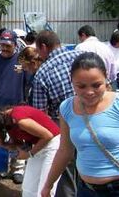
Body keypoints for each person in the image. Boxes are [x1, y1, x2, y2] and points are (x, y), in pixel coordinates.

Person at [41, 52, 119, 197]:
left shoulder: (117, 104)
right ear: (71, 82)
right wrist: (48, 184)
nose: (89, 92)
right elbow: (65, 151)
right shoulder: (66, 108)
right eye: (81, 86)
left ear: (106, 78)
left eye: (96, 85)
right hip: (85, 190)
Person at [33, 30, 83, 197]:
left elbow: (41, 116)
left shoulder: (42, 73)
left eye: (38, 51)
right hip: (93, 124)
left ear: (44, 47)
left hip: (65, 132)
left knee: (67, 178)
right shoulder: (82, 56)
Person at [0, 104, 61, 197]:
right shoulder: (7, 123)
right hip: (39, 147)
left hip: (53, 145)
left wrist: (30, 154)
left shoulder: (19, 119)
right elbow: (19, 145)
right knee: (28, 189)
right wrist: (3, 144)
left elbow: (47, 136)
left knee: (44, 189)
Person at [0, 29, 29, 184]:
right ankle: (1, 168)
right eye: (2, 44)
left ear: (15, 45)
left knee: (19, 137)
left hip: (18, 107)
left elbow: (29, 83)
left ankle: (18, 169)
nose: (4, 48)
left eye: (8, 45)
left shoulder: (21, 61)